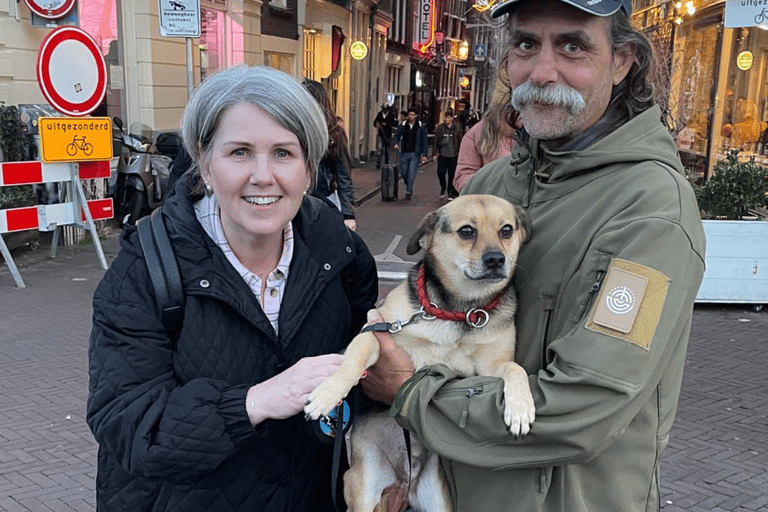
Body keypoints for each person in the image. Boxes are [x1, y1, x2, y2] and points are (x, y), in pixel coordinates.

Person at [360, 1, 706, 511]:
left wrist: (411, 395)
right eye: (526, 44)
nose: (543, 71)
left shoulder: (651, 212)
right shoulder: (495, 185)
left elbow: (585, 407)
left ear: (622, 60)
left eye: (573, 45)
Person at [87, 65, 378, 512]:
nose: (263, 176)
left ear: (308, 167)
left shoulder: (338, 250)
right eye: (240, 152)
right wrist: (256, 400)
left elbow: (358, 380)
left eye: (284, 153)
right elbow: (128, 424)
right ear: (204, 161)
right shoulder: (147, 269)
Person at [302, 78, 358, 231]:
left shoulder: (334, 134)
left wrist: (347, 214)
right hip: (296, 202)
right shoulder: (293, 131)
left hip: (323, 201)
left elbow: (343, 175)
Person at [453, 84, 519, 192]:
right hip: (494, 204)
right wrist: (492, 187)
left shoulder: (541, 130)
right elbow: (463, 177)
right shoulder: (478, 133)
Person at [392, 107, 428, 200]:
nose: (411, 116)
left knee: (411, 173)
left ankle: (408, 192)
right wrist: (396, 143)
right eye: (410, 115)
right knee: (404, 172)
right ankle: (409, 185)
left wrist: (424, 155)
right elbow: (397, 135)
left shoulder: (421, 127)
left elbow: (425, 141)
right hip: (404, 153)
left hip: (415, 153)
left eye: (413, 115)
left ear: (416, 116)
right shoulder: (403, 126)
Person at [432, 108, 462, 199]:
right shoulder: (441, 128)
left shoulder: (457, 128)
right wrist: (434, 153)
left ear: (452, 118)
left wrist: (460, 154)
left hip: (453, 155)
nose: (446, 119)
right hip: (442, 154)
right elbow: (436, 140)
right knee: (441, 172)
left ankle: (450, 192)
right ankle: (443, 186)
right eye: (445, 117)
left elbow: (460, 140)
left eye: (448, 117)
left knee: (451, 174)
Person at [373, 103, 397, 168]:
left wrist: (386, 124)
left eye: (385, 109)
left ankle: (387, 162)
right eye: (383, 109)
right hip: (380, 134)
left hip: (388, 134)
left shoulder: (391, 115)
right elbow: (374, 122)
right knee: (379, 149)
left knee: (387, 149)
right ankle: (378, 162)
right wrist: (377, 124)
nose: (384, 110)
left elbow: (394, 124)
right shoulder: (379, 114)